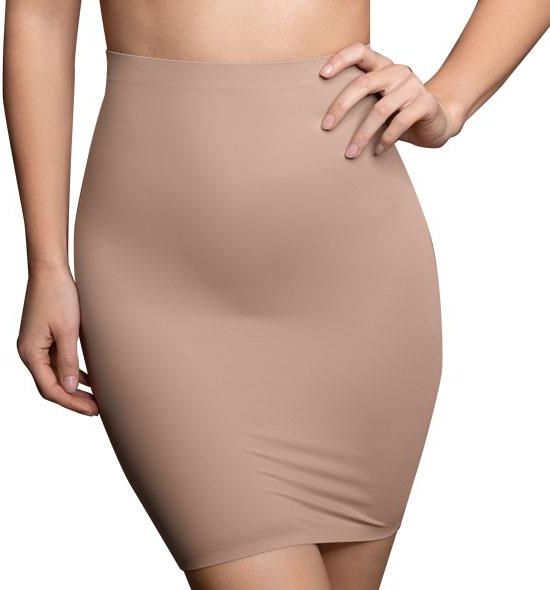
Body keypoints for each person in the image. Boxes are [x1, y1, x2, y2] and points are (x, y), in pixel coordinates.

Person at [3, 1, 548, 589]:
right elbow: (40, 17)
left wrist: (453, 97)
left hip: (359, 280)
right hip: (160, 282)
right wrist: (47, 263)